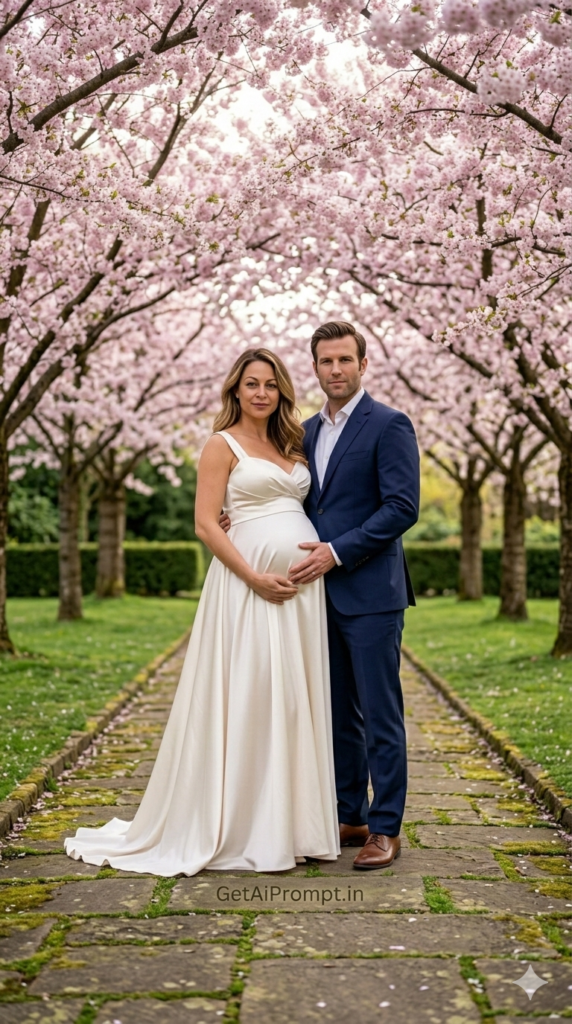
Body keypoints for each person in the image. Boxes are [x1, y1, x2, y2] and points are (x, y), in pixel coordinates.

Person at [64, 349, 339, 876]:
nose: (261, 393)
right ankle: (244, 825)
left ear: (282, 391)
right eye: (251, 383)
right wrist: (255, 576)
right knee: (252, 694)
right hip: (247, 588)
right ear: (235, 389)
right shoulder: (221, 444)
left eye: (271, 384)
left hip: (302, 594)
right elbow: (207, 524)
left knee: (292, 699)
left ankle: (293, 825)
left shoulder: (294, 442)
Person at [287, 321, 419, 870]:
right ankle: (349, 813)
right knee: (339, 714)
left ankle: (385, 827)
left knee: (380, 713)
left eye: (345, 360)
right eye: (326, 362)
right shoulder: (304, 432)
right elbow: (293, 499)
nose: (335, 370)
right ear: (314, 368)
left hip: (370, 592)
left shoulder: (389, 424)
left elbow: (401, 507)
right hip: (317, 597)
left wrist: (337, 552)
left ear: (364, 364)